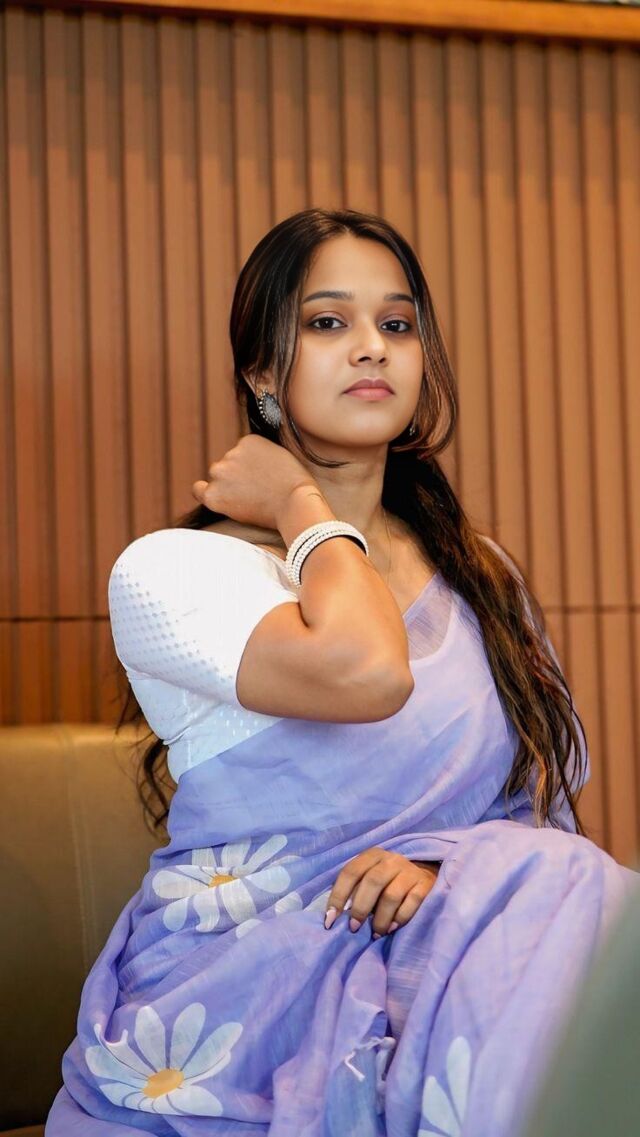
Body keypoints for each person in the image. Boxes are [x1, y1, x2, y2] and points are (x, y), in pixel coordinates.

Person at [46, 208, 638, 1136]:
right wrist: (299, 504)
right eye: (329, 322)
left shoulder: (481, 576)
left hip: (454, 959)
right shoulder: (171, 572)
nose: (372, 347)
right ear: (260, 373)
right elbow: (368, 673)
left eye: (396, 324)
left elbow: (532, 822)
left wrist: (445, 870)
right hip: (255, 999)